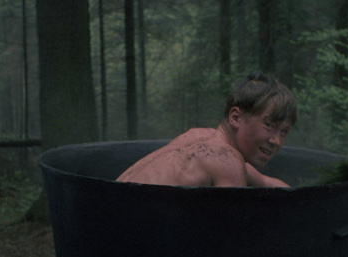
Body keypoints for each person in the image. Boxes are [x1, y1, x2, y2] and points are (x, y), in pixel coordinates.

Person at [116, 71, 297, 188]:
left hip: (109, 207)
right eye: (269, 125)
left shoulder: (199, 136)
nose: (276, 141)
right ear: (236, 117)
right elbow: (238, 231)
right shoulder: (226, 160)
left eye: (284, 131)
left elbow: (265, 182)